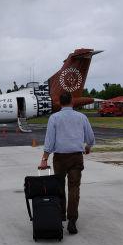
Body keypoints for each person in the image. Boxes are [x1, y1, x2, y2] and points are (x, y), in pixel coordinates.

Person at [38, 91, 95, 235]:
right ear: (72, 101)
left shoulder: (54, 118)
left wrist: (44, 159)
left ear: (60, 102)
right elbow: (90, 138)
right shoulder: (82, 117)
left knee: (59, 187)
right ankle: (72, 220)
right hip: (76, 157)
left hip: (60, 158)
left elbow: (49, 141)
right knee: (74, 188)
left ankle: (61, 214)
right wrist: (87, 147)